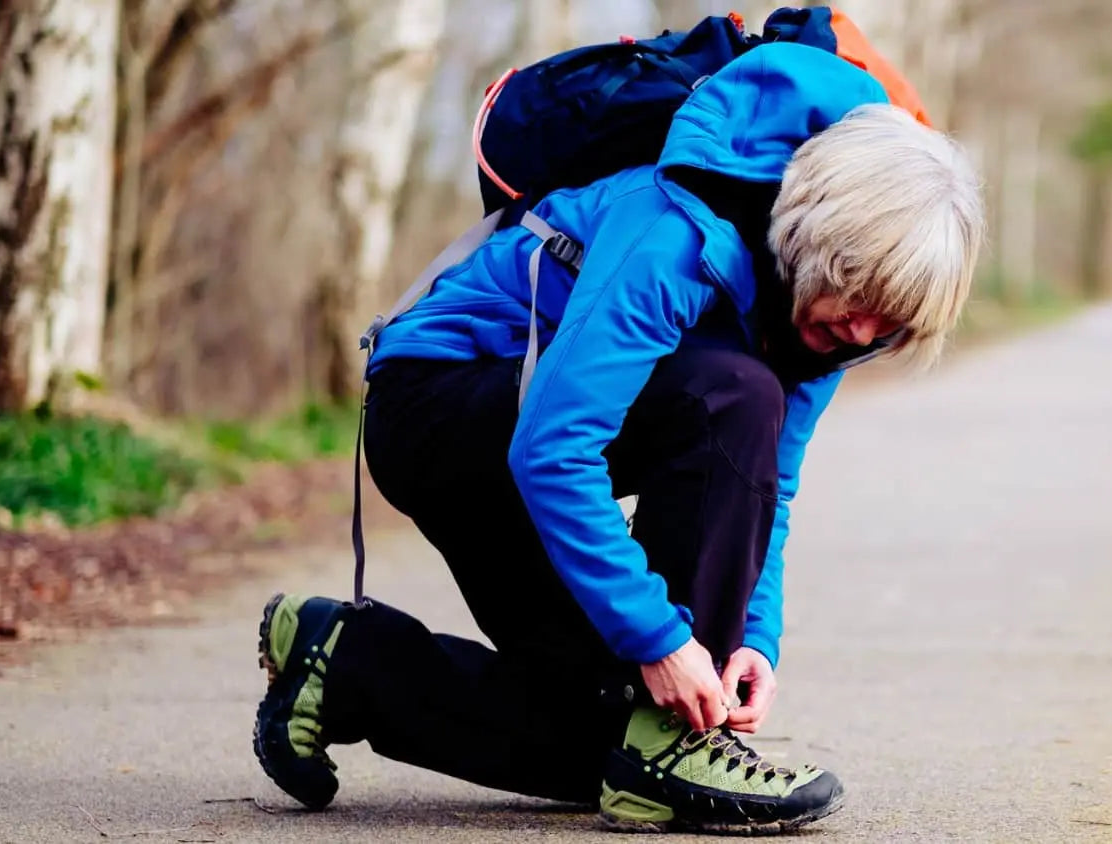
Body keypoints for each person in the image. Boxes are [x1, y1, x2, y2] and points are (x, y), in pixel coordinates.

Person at [250, 39, 984, 835]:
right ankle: (670, 749)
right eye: (858, 292)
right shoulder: (671, 234)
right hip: (439, 408)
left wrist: (755, 643)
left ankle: (343, 660)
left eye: (892, 318)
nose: (862, 327)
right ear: (818, 233)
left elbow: (771, 477)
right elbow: (552, 449)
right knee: (732, 394)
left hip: (526, 437)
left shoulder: (833, 319)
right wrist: (663, 640)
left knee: (603, 739)